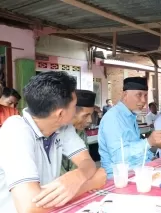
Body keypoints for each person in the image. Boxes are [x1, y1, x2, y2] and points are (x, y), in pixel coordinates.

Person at [0, 71, 106, 213]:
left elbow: (87, 163)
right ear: (61, 113)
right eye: (75, 106)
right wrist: (89, 183)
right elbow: (29, 207)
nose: (76, 111)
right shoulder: (16, 130)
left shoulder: (62, 126)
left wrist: (77, 176)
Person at [99, 77, 161, 177]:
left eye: (145, 95)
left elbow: (134, 144)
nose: (143, 100)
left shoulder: (131, 116)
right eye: (139, 95)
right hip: (120, 178)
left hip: (139, 169)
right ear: (125, 95)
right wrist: (148, 142)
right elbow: (118, 157)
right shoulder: (113, 118)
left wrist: (151, 157)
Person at [61, 89, 97, 174]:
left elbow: (87, 163)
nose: (90, 120)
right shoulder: (56, 133)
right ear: (72, 112)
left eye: (91, 115)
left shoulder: (80, 132)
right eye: (85, 116)